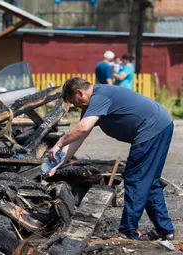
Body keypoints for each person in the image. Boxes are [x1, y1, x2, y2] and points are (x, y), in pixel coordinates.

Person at [46, 77, 175, 241]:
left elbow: (82, 128)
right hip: (161, 125)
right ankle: (164, 230)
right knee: (150, 181)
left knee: (135, 178)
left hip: (151, 129)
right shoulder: (92, 104)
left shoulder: (99, 96)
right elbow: (77, 139)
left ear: (80, 92)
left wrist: (58, 142)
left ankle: (127, 232)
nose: (76, 106)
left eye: (74, 102)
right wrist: (57, 165)